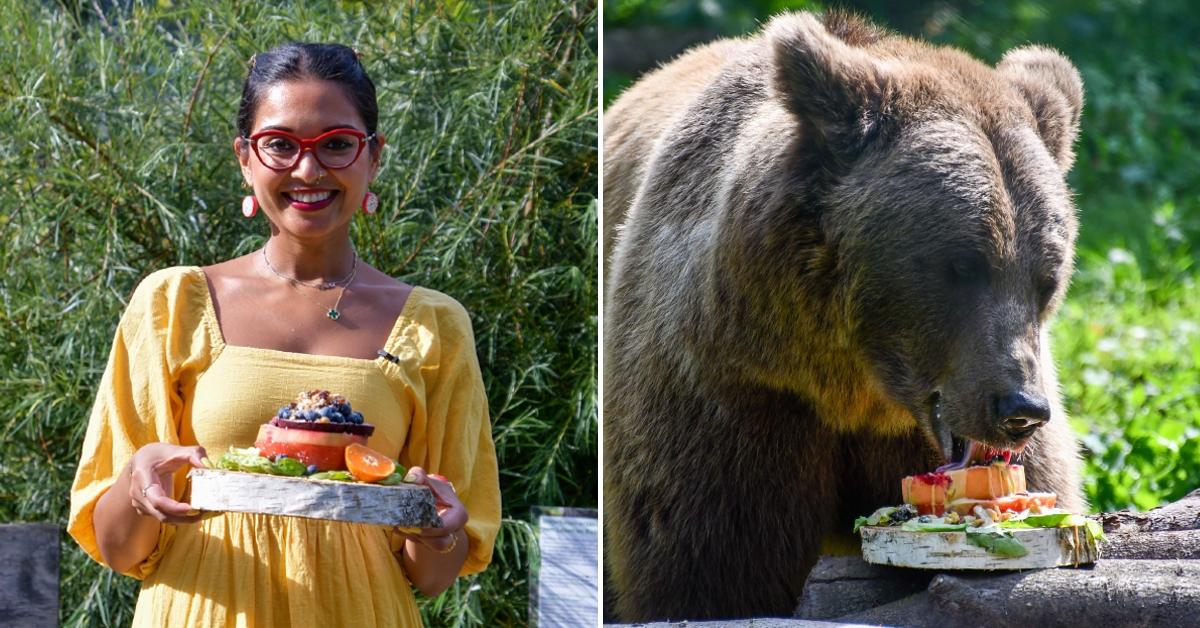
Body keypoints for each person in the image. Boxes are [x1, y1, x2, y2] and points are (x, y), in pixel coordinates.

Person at [67, 43, 500, 626]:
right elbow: (120, 549)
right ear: (245, 157)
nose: (308, 169)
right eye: (280, 145)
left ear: (373, 156)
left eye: (337, 144)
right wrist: (139, 480)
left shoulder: (434, 325)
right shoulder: (172, 304)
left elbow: (431, 576)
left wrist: (439, 531)